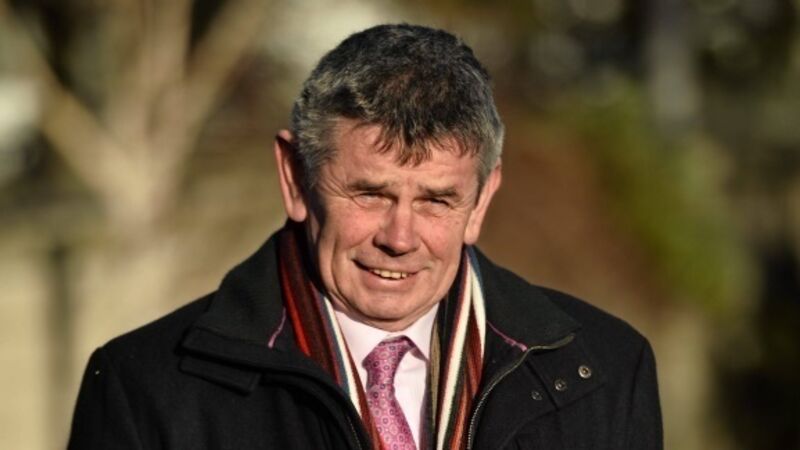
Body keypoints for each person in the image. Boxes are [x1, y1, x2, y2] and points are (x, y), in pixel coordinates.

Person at [68, 24, 662, 450]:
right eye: (370, 194)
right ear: (295, 178)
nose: (400, 238)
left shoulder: (604, 370)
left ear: (482, 200)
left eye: (436, 200)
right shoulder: (143, 390)